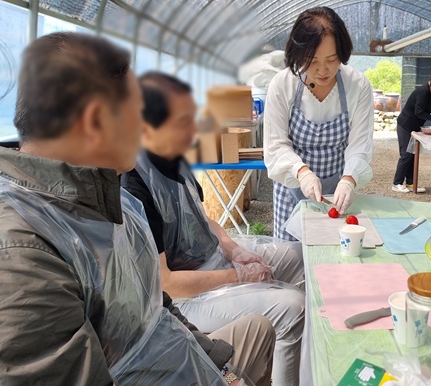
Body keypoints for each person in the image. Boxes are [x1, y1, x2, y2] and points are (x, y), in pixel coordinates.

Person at [0, 32, 266, 385]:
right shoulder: (22, 250)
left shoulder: (113, 199)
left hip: (178, 361)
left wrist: (220, 368)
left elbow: (157, 307)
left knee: (258, 333)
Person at [121, 72, 305, 386]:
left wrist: (234, 249)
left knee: (297, 255)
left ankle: (298, 358)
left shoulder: (173, 158)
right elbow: (166, 285)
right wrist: (238, 276)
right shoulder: (133, 183)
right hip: (187, 297)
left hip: (211, 260)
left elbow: (202, 218)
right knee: (293, 308)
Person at [264, 6, 374, 239]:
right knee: (292, 263)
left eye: (332, 60)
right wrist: (302, 172)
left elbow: (359, 143)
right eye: (312, 61)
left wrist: (349, 178)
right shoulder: (283, 85)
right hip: (292, 190)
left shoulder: (357, 85)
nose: (323, 70)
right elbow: (275, 146)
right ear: (298, 54)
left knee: (336, 260)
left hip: (338, 193)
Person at [392, 68, 431, 193]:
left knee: (413, 153)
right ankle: (397, 183)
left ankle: (411, 183)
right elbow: (419, 112)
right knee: (406, 154)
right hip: (405, 125)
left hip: (416, 126)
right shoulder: (423, 91)